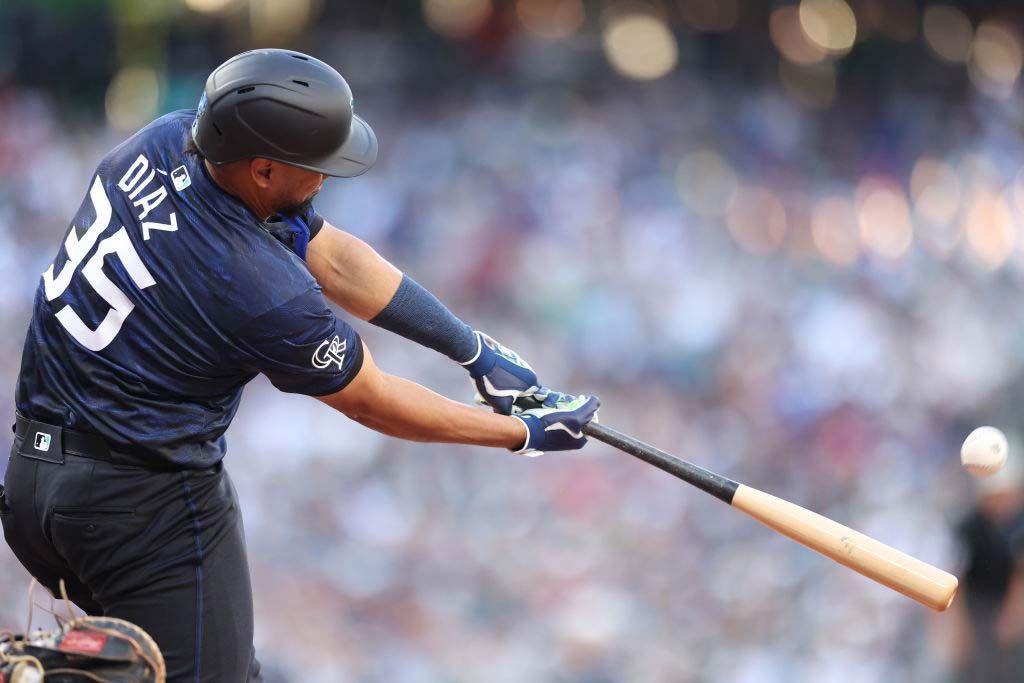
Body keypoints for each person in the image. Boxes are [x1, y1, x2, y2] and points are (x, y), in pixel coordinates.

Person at [0, 49, 599, 682]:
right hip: (138, 507)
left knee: (166, 668)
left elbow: (329, 254)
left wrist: (471, 348)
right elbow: (370, 398)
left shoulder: (169, 139)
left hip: (35, 484)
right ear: (262, 169)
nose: (325, 179)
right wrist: (521, 433)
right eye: (315, 168)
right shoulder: (256, 286)